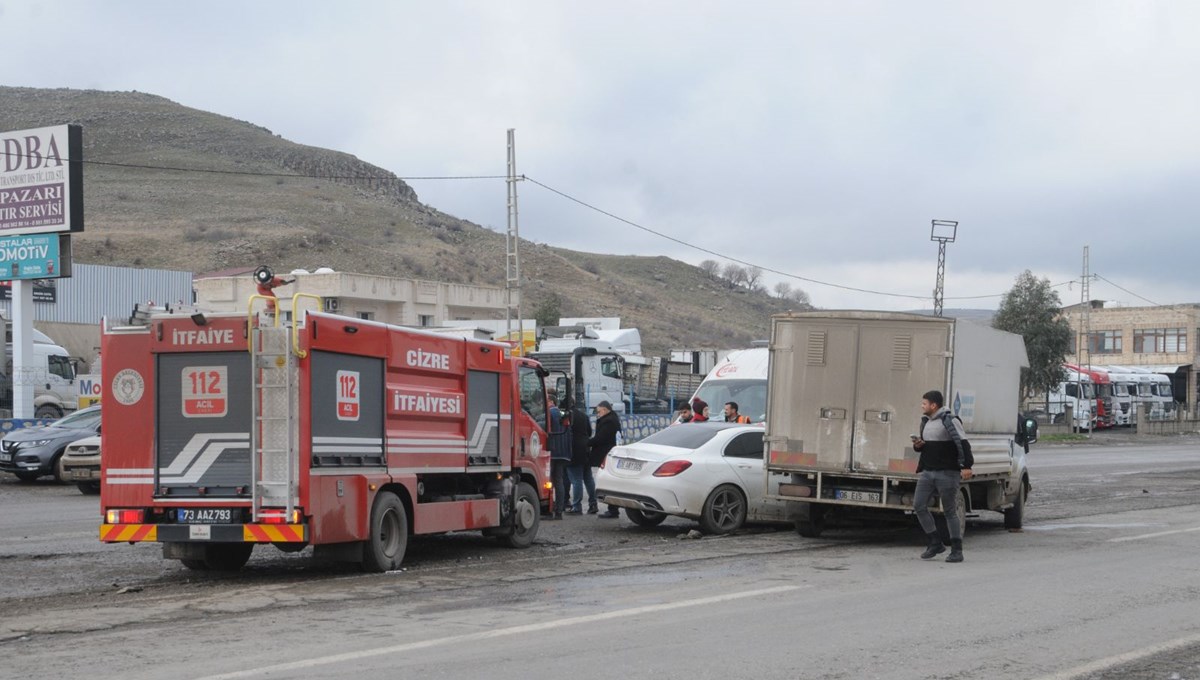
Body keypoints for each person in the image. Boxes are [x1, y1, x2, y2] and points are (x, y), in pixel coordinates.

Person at [911, 389, 972, 563]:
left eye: (924, 403)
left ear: (934, 405)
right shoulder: (926, 422)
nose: (922, 406)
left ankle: (956, 550)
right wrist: (919, 445)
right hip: (927, 472)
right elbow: (926, 448)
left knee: (950, 511)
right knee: (919, 505)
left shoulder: (950, 420)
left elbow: (964, 444)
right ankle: (935, 542)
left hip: (948, 472)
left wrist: (967, 465)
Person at [590, 401, 623, 518]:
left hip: (607, 454)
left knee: (609, 483)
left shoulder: (608, 422)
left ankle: (613, 509)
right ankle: (612, 508)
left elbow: (600, 438)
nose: (598, 414)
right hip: (609, 453)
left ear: (605, 410)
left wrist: (587, 442)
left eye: (599, 412)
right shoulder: (612, 419)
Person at [566, 400, 595, 514]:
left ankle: (577, 506)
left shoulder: (567, 416)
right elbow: (589, 431)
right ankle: (593, 504)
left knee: (576, 479)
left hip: (573, 450)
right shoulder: (583, 415)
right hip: (585, 448)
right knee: (588, 478)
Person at [546, 394, 571, 520]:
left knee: (548, 481)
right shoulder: (563, 414)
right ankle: (559, 511)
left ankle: (549, 509)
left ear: (550, 401)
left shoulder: (549, 413)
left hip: (552, 451)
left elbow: (543, 426)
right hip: (563, 452)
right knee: (559, 481)